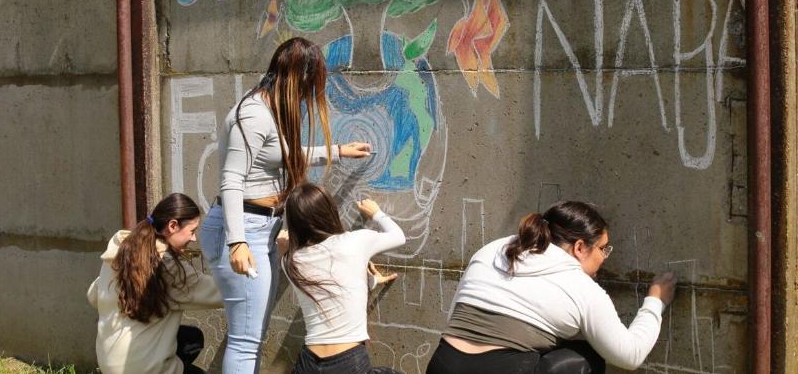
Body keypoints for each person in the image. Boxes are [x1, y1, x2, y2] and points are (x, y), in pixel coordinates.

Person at [199, 37, 372, 374]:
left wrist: (337, 151)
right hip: (244, 228)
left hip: (258, 226)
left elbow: (284, 156)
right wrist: (237, 242)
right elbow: (232, 179)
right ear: (297, 78)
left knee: (251, 336)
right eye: (310, 86)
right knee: (246, 341)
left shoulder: (270, 111)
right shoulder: (252, 115)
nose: (310, 96)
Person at [426, 201, 677, 374]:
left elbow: (454, 318)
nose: (605, 257)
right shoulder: (581, 287)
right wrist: (655, 300)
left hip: (441, 366)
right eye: (603, 248)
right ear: (580, 247)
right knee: (585, 356)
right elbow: (629, 355)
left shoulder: (494, 250)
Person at [87, 193, 222, 374]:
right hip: (144, 368)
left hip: (109, 364)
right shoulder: (169, 267)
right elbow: (220, 293)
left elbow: (93, 296)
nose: (194, 239)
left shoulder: (120, 251)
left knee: (191, 339)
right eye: (192, 231)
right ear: (173, 226)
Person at [279, 183, 405, 374]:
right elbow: (398, 237)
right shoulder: (355, 241)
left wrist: (369, 281)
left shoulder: (289, 261)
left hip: (308, 364)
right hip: (347, 363)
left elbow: (327, 286)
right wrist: (376, 213)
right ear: (329, 211)